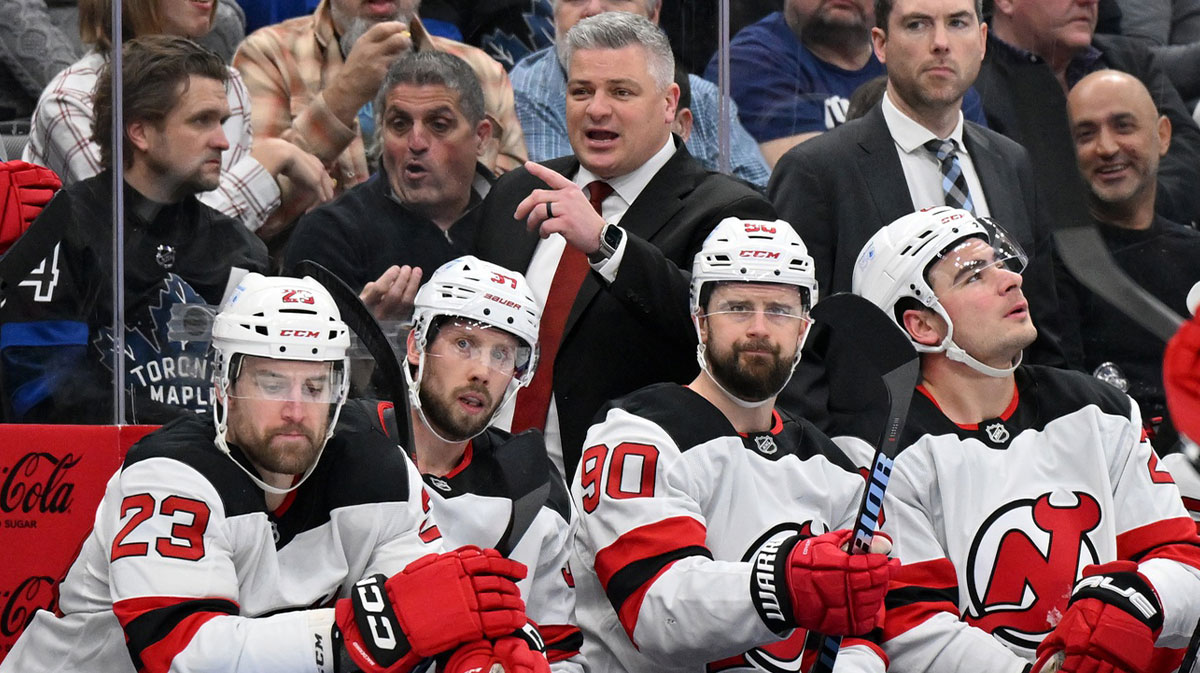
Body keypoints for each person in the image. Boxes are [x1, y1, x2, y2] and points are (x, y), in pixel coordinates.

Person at [0, 271, 543, 673]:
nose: (294, 410)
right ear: (222, 386)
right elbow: (181, 654)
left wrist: (473, 656)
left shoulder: (381, 471)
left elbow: (424, 600)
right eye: (270, 382)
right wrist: (365, 632)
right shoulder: (170, 477)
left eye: (314, 388)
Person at [842, 206, 1200, 673]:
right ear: (921, 325)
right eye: (973, 275)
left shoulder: (1099, 409)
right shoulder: (880, 451)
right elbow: (914, 628)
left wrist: (1139, 602)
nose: (1009, 279)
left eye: (1001, 262)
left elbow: (1181, 557)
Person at [570, 216, 897, 673]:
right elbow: (657, 613)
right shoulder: (635, 434)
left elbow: (868, 629)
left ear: (803, 329)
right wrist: (785, 582)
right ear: (700, 321)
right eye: (738, 307)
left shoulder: (836, 467)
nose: (759, 328)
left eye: (779, 310)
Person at [471, 11, 775, 480]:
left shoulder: (731, 212)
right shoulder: (518, 192)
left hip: (632, 493)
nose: (596, 108)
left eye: (621, 92)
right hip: (488, 483)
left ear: (669, 103)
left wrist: (605, 244)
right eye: (581, 91)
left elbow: (715, 333)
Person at [766, 0, 1066, 430]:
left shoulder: (1011, 161)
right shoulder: (817, 171)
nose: (941, 43)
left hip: (1014, 445)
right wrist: (824, 460)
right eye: (918, 24)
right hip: (873, 451)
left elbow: (1046, 327)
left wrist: (1050, 434)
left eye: (958, 23)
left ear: (982, 41)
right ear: (881, 44)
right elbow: (793, 337)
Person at [0, 35, 271, 424]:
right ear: (139, 132)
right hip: (94, 471)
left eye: (223, 122)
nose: (223, 141)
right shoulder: (63, 228)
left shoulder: (243, 251)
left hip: (219, 474)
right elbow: (39, 390)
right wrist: (177, 430)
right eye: (201, 121)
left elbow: (272, 387)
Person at [368, 255, 582, 670]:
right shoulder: (346, 446)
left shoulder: (535, 487)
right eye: (464, 344)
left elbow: (560, 652)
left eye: (502, 354)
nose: (483, 371)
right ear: (416, 345)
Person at [22, 0, 333, 237]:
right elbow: (142, 240)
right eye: (201, 120)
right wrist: (269, 160)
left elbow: (224, 239)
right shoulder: (73, 100)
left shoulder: (228, 86)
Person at [233, 0, 527, 205]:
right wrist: (345, 96)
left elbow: (513, 209)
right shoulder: (268, 55)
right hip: (313, 276)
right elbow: (252, 216)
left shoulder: (482, 72)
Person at [283, 51, 494, 322]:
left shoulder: (519, 221)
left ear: (480, 137)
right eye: (400, 124)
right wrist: (365, 339)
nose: (416, 142)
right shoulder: (330, 232)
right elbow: (303, 357)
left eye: (439, 125)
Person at [1061, 69, 1200, 451]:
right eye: (1085, 134)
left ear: (1163, 136)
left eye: (1123, 126)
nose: (1106, 148)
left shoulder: (1195, 252)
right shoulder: (1051, 268)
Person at [978, 0, 1200, 227]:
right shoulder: (971, 88)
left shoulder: (1130, 59)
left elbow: (1188, 154)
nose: (1089, 1)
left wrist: (1131, 206)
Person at [510, 0, 770, 189]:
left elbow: (757, 196)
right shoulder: (522, 92)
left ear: (654, 12)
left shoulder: (705, 99)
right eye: (581, 92)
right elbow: (562, 191)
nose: (593, 8)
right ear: (553, 14)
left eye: (622, 92)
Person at [703, 0, 988, 167]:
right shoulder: (750, 61)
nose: (940, 42)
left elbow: (976, 174)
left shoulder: (925, 64)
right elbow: (815, 183)